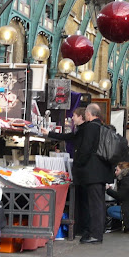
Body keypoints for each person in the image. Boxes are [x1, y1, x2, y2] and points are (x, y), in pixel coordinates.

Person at [42, 104, 114, 245]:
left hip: (92, 172)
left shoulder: (91, 128)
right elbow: (72, 137)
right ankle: (95, 232)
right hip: (100, 171)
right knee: (97, 203)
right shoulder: (101, 127)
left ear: (88, 114)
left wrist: (78, 164)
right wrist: (50, 134)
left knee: (95, 205)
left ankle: (95, 235)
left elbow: (85, 149)